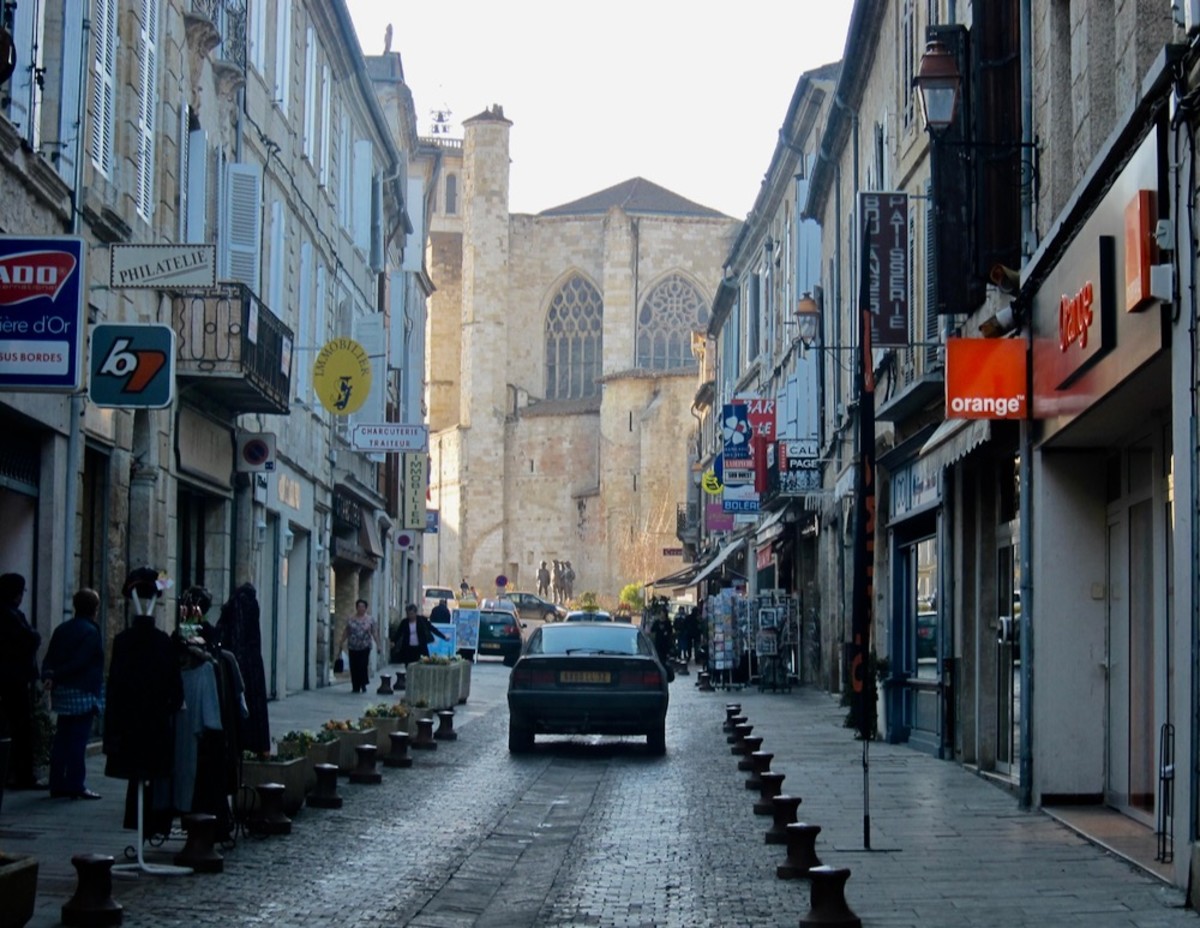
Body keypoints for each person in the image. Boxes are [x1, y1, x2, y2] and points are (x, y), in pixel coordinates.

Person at [41, 588, 105, 799]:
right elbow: (82, 661)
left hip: (63, 691)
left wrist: (50, 675)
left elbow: (50, 656)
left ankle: (57, 782)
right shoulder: (91, 632)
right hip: (82, 689)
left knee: (62, 738)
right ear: (94, 609)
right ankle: (75, 784)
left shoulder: (62, 629)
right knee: (78, 740)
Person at [0, 573, 43, 789]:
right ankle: (22, 775)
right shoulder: (10, 615)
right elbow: (32, 638)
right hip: (13, 679)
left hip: (11, 677)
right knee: (21, 728)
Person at [392, 603, 449, 679]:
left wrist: (444, 637)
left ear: (415, 613)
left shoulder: (422, 620)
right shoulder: (404, 622)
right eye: (408, 614)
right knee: (409, 666)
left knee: (423, 664)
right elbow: (399, 633)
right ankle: (410, 679)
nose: (410, 616)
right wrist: (393, 641)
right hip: (408, 648)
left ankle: (421, 678)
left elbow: (432, 629)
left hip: (420, 647)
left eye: (412, 614)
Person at [338, 599, 379, 693]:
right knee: (354, 666)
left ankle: (363, 683)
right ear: (356, 608)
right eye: (359, 606)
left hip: (365, 646)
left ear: (366, 608)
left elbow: (374, 633)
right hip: (353, 646)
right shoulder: (351, 619)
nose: (361, 608)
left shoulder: (370, 620)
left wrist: (378, 644)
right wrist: (341, 642)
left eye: (363, 607)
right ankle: (355, 685)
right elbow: (346, 631)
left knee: (363, 665)